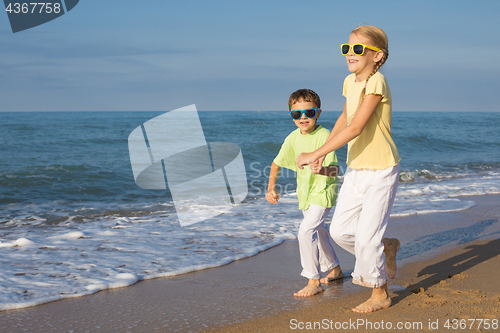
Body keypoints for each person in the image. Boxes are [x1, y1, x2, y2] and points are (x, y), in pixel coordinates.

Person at [296, 25, 401, 312]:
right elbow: (345, 117)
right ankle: (386, 247)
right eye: (347, 48)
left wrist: (315, 151)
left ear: (377, 55)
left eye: (358, 48)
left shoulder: (377, 82)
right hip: (357, 169)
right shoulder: (349, 82)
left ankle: (380, 293)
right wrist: (323, 155)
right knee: (341, 231)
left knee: (367, 238)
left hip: (382, 169)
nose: (350, 53)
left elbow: (356, 127)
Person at [266, 89, 343, 297]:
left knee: (305, 231)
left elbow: (336, 169)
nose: (303, 118)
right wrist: (270, 187)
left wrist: (322, 170)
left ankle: (313, 280)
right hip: (306, 195)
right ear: (291, 115)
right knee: (319, 232)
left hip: (324, 192)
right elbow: (276, 162)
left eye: (308, 113)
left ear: (318, 113)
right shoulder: (292, 138)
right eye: (296, 114)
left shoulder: (326, 135)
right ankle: (335, 268)